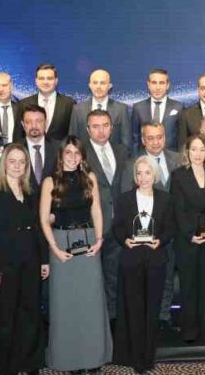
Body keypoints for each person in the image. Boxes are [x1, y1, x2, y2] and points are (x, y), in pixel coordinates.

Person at [39, 137, 112, 372]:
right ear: (61, 155)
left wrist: (99, 240)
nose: (72, 157)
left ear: (82, 156)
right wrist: (55, 248)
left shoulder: (90, 178)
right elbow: (44, 219)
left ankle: (93, 359)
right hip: (61, 243)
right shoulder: (50, 181)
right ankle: (69, 360)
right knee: (65, 304)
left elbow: (96, 210)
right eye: (68, 152)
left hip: (88, 242)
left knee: (91, 302)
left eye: (77, 153)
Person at [0, 144, 49, 375]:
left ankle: (30, 365)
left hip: (31, 261)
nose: (17, 166)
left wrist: (44, 260)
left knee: (31, 316)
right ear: (4, 164)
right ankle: (8, 369)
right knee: (6, 319)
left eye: (22, 162)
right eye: (12, 161)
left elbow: (39, 228)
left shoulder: (31, 193)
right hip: (5, 265)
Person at [113, 157, 175, 373]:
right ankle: (136, 358)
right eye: (139, 173)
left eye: (147, 172)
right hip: (131, 260)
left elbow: (170, 227)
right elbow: (117, 227)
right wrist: (125, 240)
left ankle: (148, 357)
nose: (143, 177)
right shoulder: (124, 199)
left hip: (156, 260)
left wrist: (161, 240)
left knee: (152, 310)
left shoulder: (166, 199)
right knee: (134, 309)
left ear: (155, 175)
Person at [169, 135, 205, 344]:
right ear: (187, 151)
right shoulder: (178, 176)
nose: (198, 154)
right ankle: (190, 330)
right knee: (189, 285)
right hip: (188, 241)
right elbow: (178, 209)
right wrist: (190, 234)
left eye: (202, 149)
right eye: (194, 149)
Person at [131, 122, 184, 329]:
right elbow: (128, 198)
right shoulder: (134, 163)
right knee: (146, 277)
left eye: (159, 137)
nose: (155, 142)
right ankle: (147, 317)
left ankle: (163, 316)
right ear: (143, 140)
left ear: (165, 137)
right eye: (150, 138)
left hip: (176, 230)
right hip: (147, 232)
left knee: (168, 276)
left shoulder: (178, 159)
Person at [82, 109, 130, 319]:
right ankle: (92, 320)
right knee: (91, 279)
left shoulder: (122, 150)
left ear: (111, 127)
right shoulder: (80, 153)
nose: (101, 131)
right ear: (88, 129)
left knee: (114, 277)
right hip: (91, 226)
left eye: (105, 126)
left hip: (118, 225)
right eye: (95, 126)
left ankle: (112, 319)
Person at [68, 68, 132, 150]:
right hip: (86, 156)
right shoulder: (78, 110)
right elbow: (73, 140)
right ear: (90, 86)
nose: (98, 87)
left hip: (113, 156)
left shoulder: (121, 109)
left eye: (102, 83)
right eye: (95, 83)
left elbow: (126, 141)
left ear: (109, 86)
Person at [131, 68, 185, 154]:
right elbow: (135, 139)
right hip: (145, 159)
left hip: (172, 158)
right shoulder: (138, 108)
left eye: (161, 83)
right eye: (154, 83)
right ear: (148, 84)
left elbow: (182, 139)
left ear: (167, 85)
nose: (157, 87)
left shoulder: (179, 107)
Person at [19, 63, 75, 141]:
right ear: (36, 81)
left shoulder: (69, 104)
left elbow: (73, 135)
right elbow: (18, 136)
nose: (45, 82)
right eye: (41, 78)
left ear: (56, 81)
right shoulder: (24, 104)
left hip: (60, 148)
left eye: (49, 78)